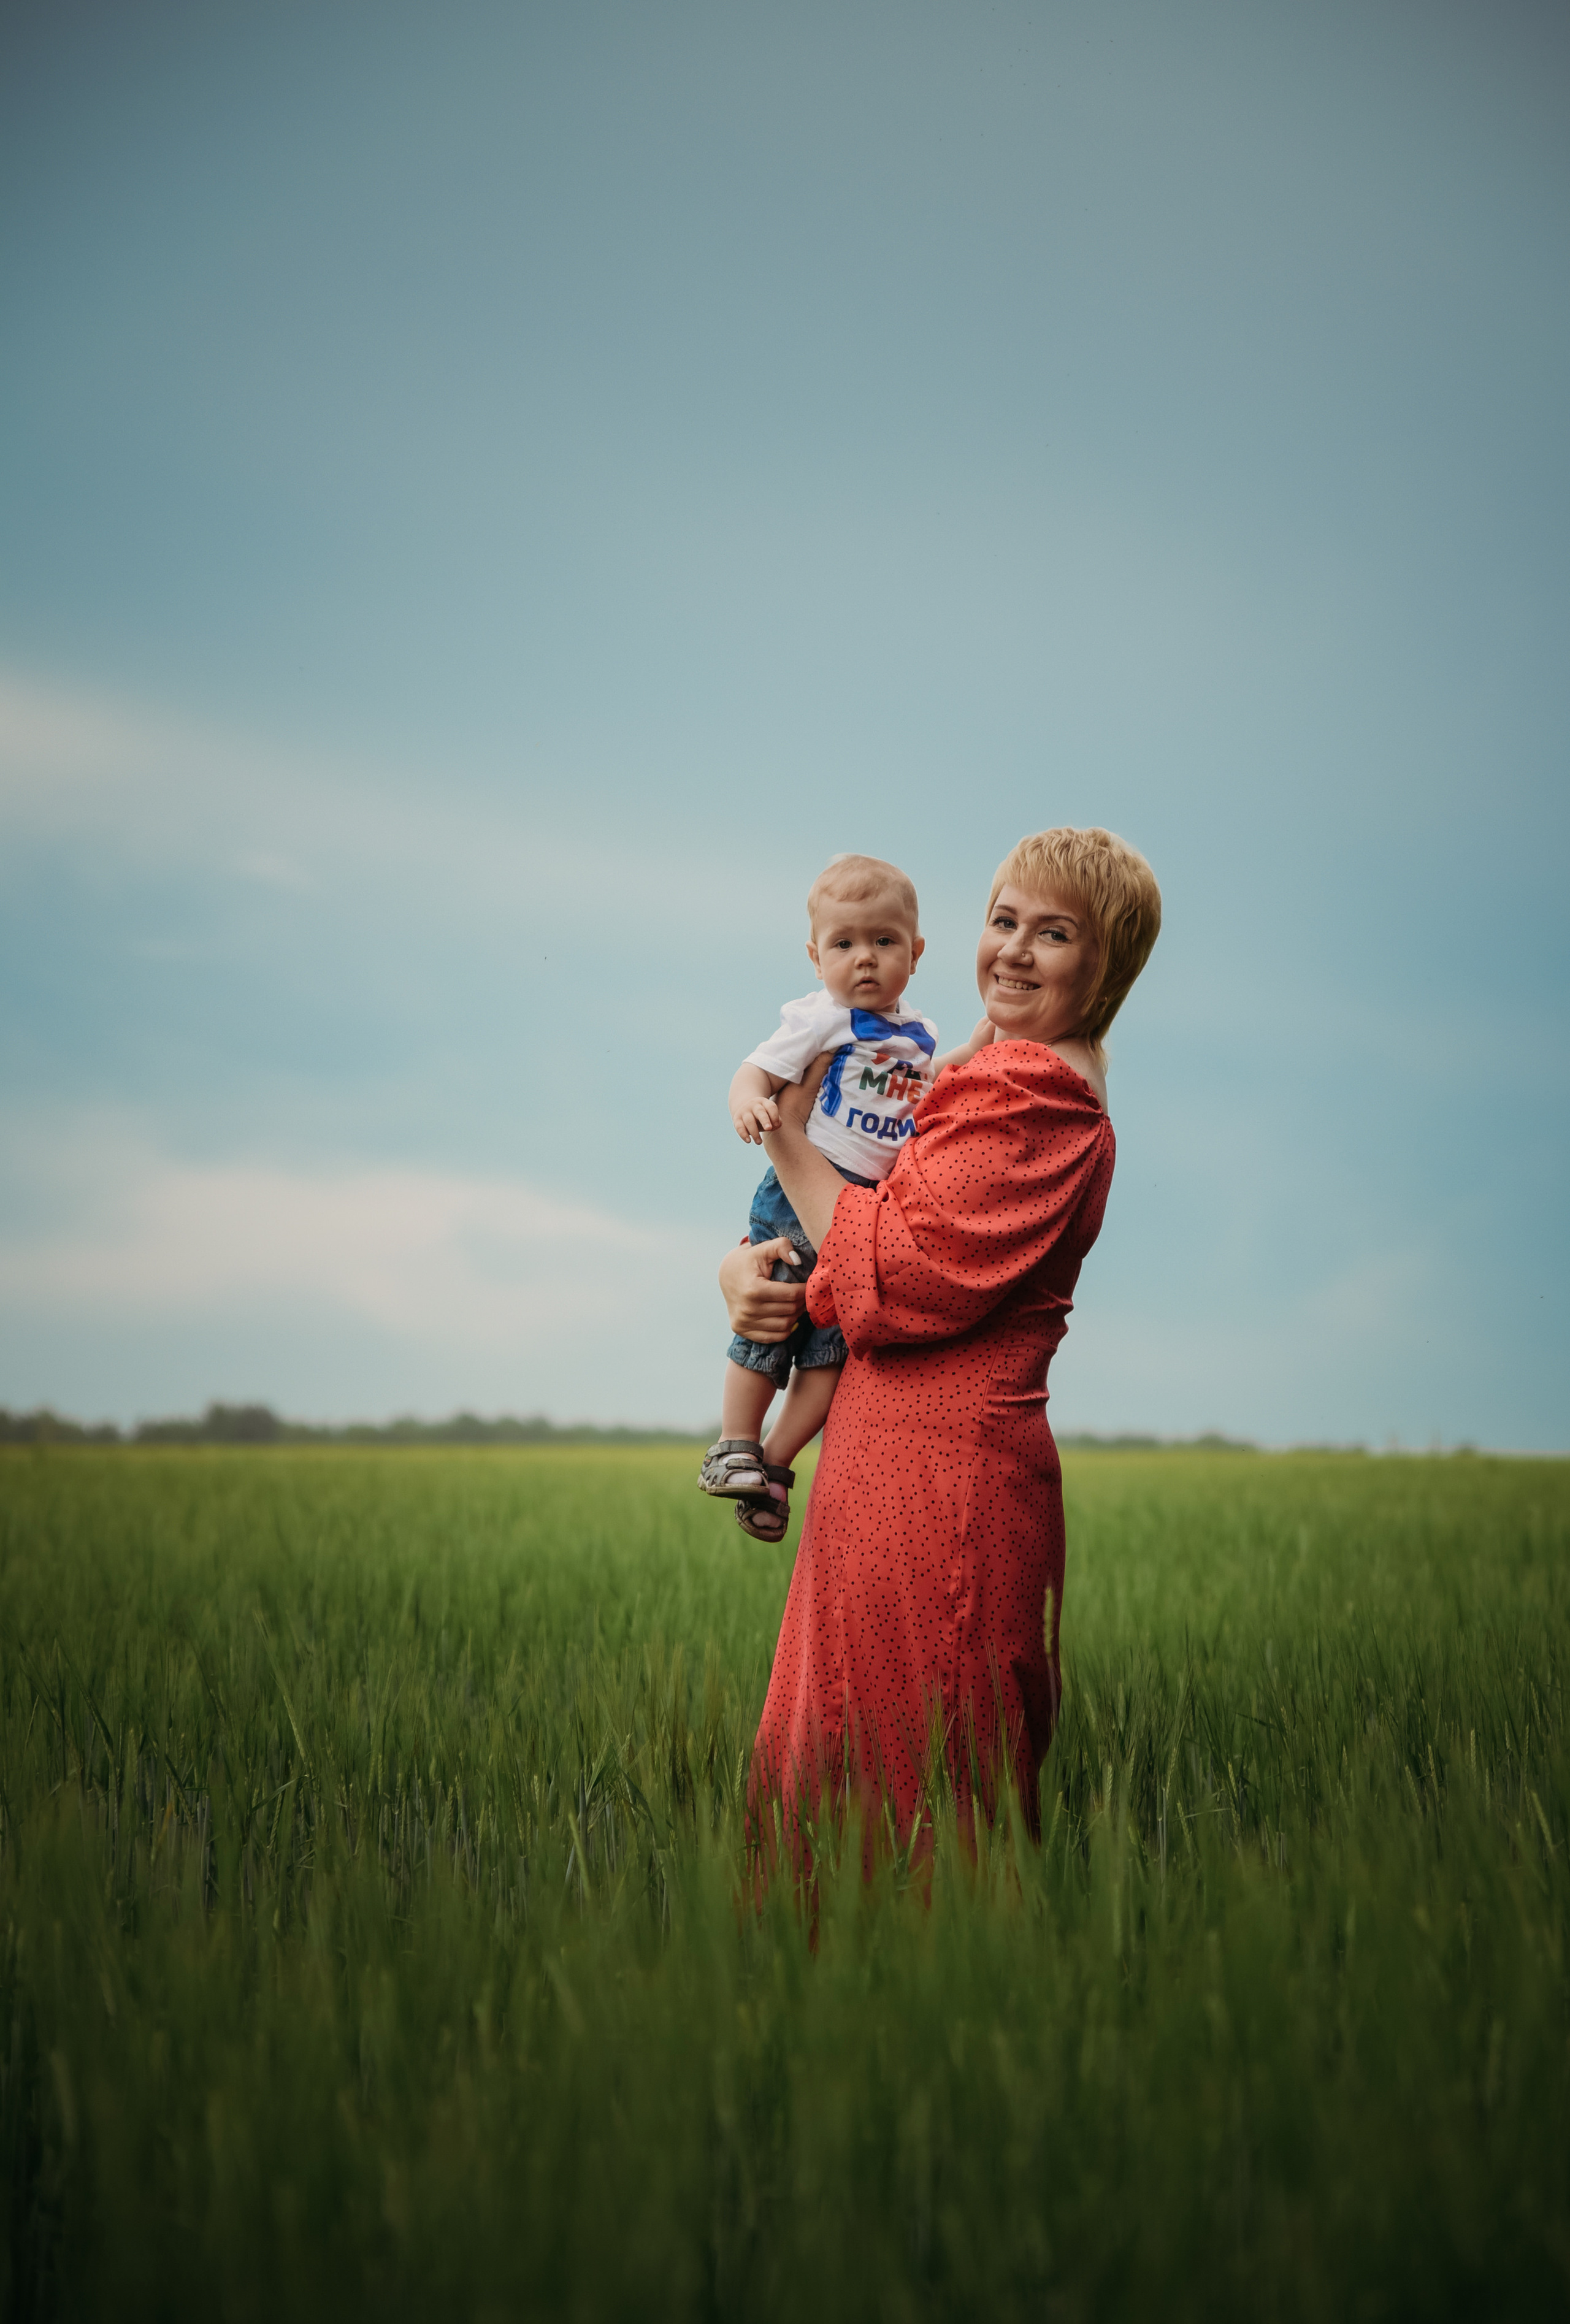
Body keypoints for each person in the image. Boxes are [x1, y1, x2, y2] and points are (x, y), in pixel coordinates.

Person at [718, 825, 1161, 1844]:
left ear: (1108, 965)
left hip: (939, 1492)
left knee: (907, 1797)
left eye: (1053, 934)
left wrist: (782, 1130)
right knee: (860, 1785)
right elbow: (846, 1232)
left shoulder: (1033, 1095)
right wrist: (745, 1274)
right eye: (1004, 919)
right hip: (894, 1473)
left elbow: (889, 1273)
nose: (1011, 949)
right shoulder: (998, 1066)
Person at [699, 854, 948, 1543]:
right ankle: (734, 1442)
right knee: (773, 1318)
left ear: (916, 952)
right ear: (815, 958)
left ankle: (775, 1467)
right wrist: (750, 1103)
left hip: (866, 1206)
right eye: (844, 944)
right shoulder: (820, 1018)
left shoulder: (919, 1035)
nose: (863, 960)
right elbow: (755, 1069)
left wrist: (982, 1041)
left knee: (830, 1351)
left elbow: (943, 1078)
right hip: (798, 1191)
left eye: (883, 941)